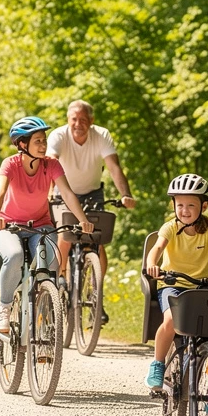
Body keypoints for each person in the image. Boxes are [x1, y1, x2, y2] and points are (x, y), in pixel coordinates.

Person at [0, 116, 94, 334]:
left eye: (44, 140)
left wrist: (82, 219)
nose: (43, 145)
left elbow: (66, 193)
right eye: (37, 141)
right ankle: (4, 307)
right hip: (9, 226)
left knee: (50, 262)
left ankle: (44, 314)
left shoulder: (51, 165)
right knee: (15, 255)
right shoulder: (10, 164)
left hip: (41, 225)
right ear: (22, 144)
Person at [144, 174, 208, 391]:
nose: (185, 210)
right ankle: (158, 363)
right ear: (174, 205)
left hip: (202, 287)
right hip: (173, 284)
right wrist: (152, 264)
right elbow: (157, 248)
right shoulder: (170, 228)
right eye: (180, 205)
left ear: (204, 205)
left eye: (191, 205)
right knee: (170, 320)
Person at [46, 100, 135, 291]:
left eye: (83, 120)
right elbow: (50, 164)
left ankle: (97, 293)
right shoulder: (58, 136)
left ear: (91, 120)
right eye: (74, 119)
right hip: (63, 194)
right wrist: (48, 192)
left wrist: (125, 194)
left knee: (98, 241)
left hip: (92, 194)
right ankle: (60, 276)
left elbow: (114, 167)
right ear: (68, 119)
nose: (78, 124)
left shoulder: (101, 135)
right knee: (65, 234)